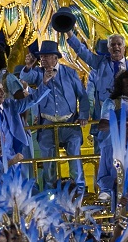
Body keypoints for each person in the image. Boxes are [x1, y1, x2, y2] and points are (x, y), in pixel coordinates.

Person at [18, 40, 91, 190]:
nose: (43, 59)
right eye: (41, 57)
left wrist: (83, 115)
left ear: (55, 58)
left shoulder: (70, 72)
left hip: (69, 122)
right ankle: (50, 193)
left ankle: (80, 191)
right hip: (47, 124)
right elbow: (25, 77)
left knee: (75, 157)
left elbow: (82, 96)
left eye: (46, 56)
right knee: (49, 162)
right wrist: (28, 66)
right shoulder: (39, 73)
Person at [65, 30, 128, 145]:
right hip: (104, 124)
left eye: (119, 44)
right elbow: (82, 51)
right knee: (103, 154)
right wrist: (69, 33)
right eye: (112, 45)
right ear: (108, 48)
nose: (116, 47)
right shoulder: (100, 64)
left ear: (124, 48)